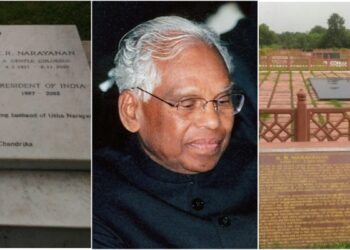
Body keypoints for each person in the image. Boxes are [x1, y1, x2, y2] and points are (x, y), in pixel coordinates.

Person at [93, 16, 257, 248]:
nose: (213, 121)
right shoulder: (99, 204)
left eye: (222, 100)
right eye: (187, 103)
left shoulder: (261, 164)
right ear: (132, 111)